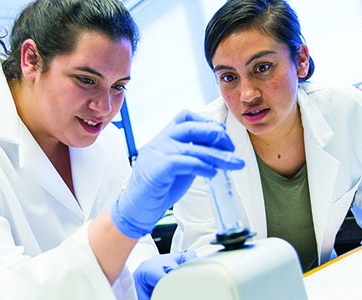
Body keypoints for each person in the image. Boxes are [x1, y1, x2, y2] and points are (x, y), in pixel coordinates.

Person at [0, 0, 244, 298]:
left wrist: (139, 273)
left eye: (118, 86)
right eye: (86, 80)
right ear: (32, 60)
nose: (105, 107)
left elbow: (131, 248)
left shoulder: (106, 139)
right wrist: (123, 221)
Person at [135, 0, 362, 296]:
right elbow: (210, 257)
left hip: (321, 282)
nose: (247, 95)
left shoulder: (347, 110)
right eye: (229, 77)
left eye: (262, 68)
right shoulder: (202, 142)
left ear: (301, 60)